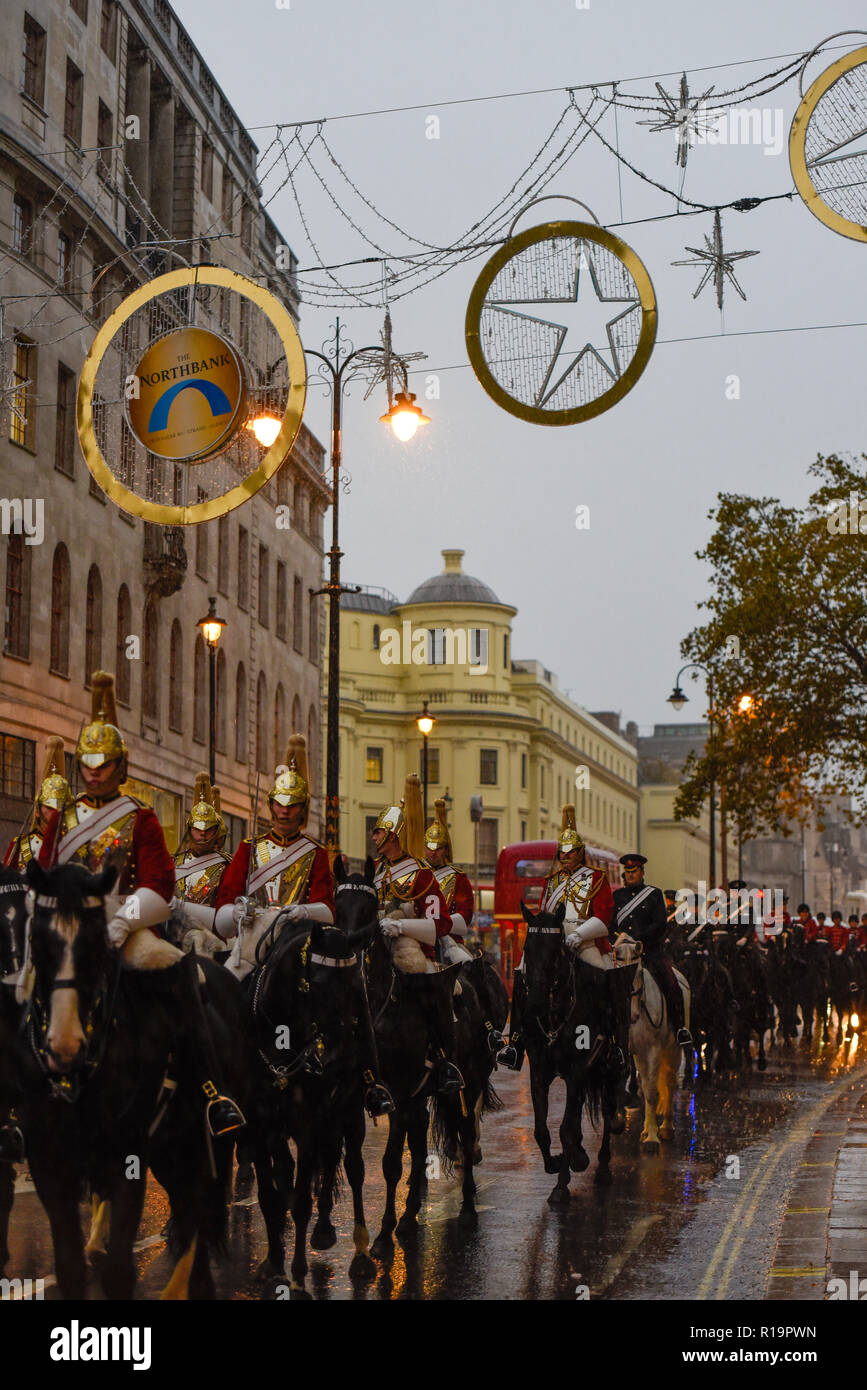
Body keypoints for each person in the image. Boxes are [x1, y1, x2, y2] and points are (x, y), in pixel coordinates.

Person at [38, 671, 244, 1138]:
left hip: (125, 930)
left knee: (181, 971)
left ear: (119, 765)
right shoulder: (63, 819)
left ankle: (212, 1091)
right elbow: (46, 877)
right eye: (87, 762)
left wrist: (120, 924)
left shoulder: (141, 818)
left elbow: (160, 885)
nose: (93, 771)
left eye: (103, 763)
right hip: (70, 931)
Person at [215, 736, 393, 1119]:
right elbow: (224, 902)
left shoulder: (315, 853)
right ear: (270, 807)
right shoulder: (248, 848)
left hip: (299, 943)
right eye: (278, 805)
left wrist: (301, 911)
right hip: (251, 944)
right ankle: (218, 1089)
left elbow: (328, 909)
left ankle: (370, 1079)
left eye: (291, 806)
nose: (283, 812)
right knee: (220, 997)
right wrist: (239, 909)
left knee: (354, 991)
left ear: (302, 810)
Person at [500, 805, 624, 1072]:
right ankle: (516, 1043)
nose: (566, 857)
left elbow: (604, 917)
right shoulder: (552, 881)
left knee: (605, 978)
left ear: (580, 853)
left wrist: (580, 934)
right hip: (555, 940)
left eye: (571, 853)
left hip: (587, 941)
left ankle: (613, 1043)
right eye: (563, 853)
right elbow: (546, 913)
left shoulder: (596, 879)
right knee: (523, 975)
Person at [371, 775, 465, 1096]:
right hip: (377, 948)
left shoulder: (421, 872)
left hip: (412, 949)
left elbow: (441, 924)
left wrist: (403, 927)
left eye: (379, 831)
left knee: (436, 994)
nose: (375, 837)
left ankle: (444, 1060)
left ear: (394, 834)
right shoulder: (378, 870)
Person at [424, 797, 504, 1053]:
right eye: (428, 847)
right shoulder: (416, 875)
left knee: (475, 972)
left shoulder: (457, 878)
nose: (432, 852)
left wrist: (442, 927)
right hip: (420, 939)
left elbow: (466, 916)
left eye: (437, 847)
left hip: (449, 942)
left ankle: (489, 1029)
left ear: (445, 849)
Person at [613, 853, 692, 1047]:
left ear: (642, 872)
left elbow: (660, 924)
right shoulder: (617, 896)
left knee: (672, 983)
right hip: (622, 955)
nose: (630, 875)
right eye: (627, 872)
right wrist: (616, 940)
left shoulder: (654, 894)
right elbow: (610, 924)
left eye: (634, 871)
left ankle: (680, 1027)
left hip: (649, 952)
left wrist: (638, 939)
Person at [4, 736, 76, 871]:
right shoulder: (20, 845)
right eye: (49, 807)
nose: (56, 812)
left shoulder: (75, 846)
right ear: (37, 811)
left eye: (61, 807)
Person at [171, 773, 229, 936]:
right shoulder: (174, 861)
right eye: (197, 829)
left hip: (211, 932)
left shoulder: (226, 865)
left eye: (208, 829)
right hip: (175, 929)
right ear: (190, 829)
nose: (202, 834)